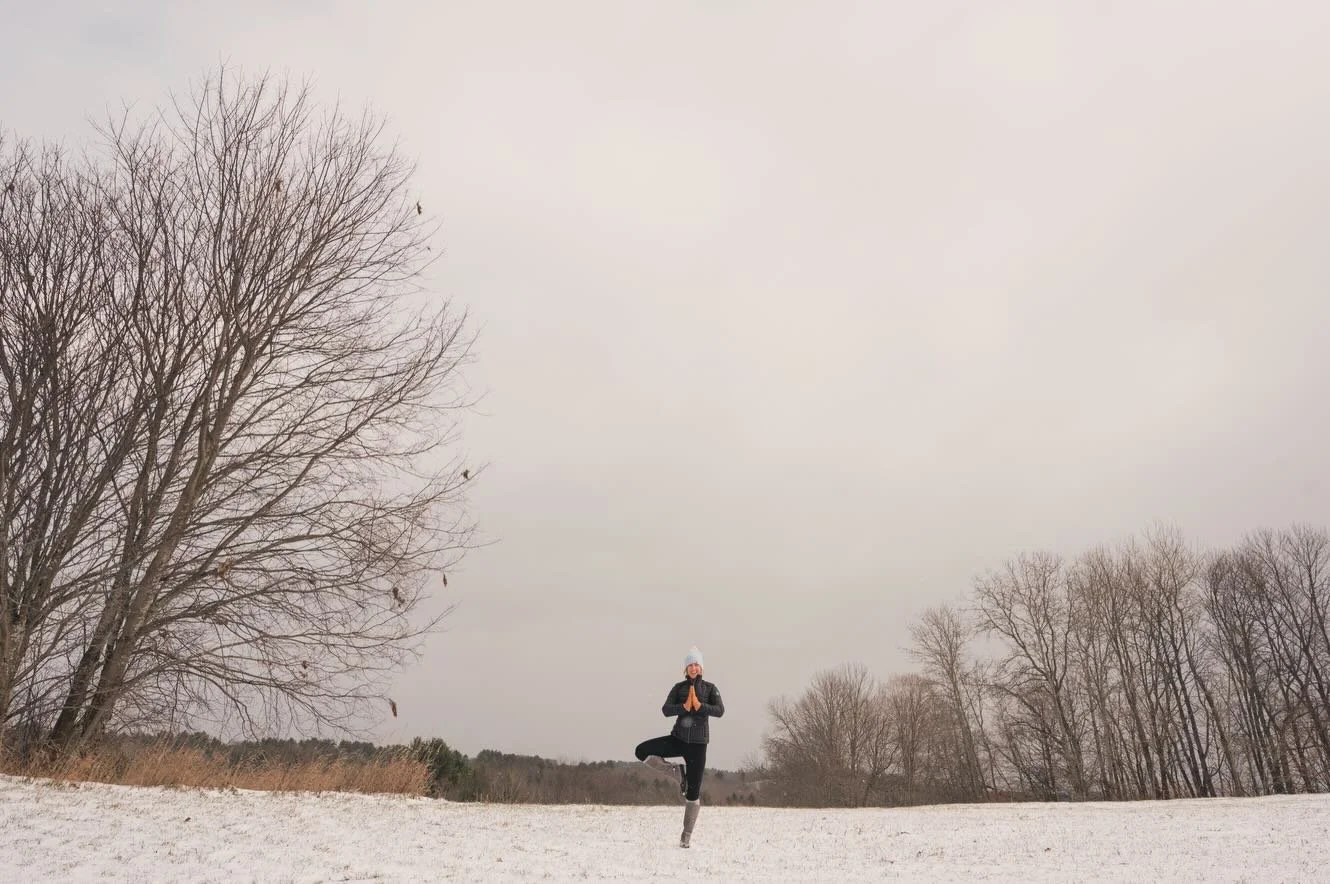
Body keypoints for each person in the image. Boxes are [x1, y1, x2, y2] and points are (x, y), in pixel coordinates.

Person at [633, 646, 725, 848]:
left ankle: (686, 835)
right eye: (690, 665)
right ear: (685, 668)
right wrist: (683, 707)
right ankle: (676, 772)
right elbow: (666, 709)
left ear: (701, 667)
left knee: (693, 793)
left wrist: (700, 707)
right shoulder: (678, 688)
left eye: (696, 664)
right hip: (678, 739)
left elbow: (720, 710)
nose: (693, 668)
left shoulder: (710, 688)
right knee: (641, 751)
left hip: (698, 745)